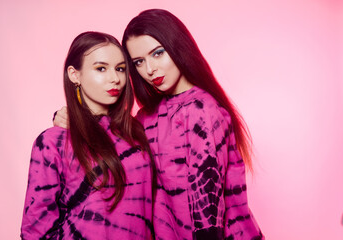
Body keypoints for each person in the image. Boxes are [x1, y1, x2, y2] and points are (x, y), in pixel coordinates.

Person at [54, 9, 264, 240]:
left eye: (158, 53)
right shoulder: (146, 117)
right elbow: (112, 143)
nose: (150, 70)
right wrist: (70, 118)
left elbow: (207, 207)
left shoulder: (201, 110)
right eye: (139, 62)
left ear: (178, 47)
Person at [21, 31, 156, 240]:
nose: (115, 78)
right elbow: (36, 231)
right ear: (75, 75)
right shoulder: (52, 142)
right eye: (101, 68)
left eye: (120, 69)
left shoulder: (137, 133)